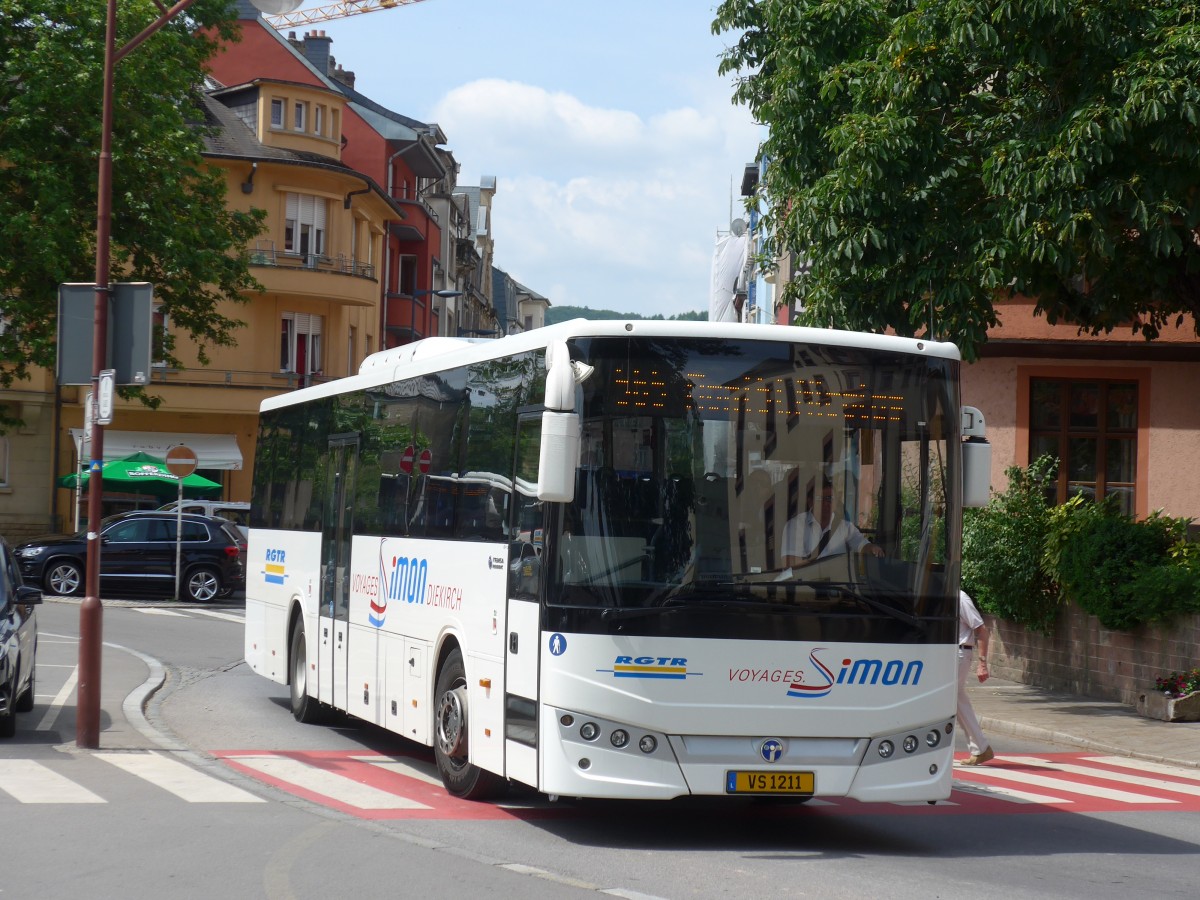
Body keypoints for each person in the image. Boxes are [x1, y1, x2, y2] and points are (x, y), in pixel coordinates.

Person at [781, 479, 884, 567]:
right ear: (810, 502)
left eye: (829, 499)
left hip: (838, 586)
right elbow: (791, 564)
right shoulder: (795, 526)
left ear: (836, 502)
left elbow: (861, 544)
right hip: (806, 587)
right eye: (819, 499)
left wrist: (872, 548)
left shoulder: (845, 527)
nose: (825, 503)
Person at [956, 589, 994, 766]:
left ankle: (980, 747)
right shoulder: (941, 596)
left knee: (952, 697)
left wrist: (982, 663)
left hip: (960, 653)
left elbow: (982, 630)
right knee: (957, 700)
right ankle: (980, 747)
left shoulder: (960, 598)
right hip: (947, 652)